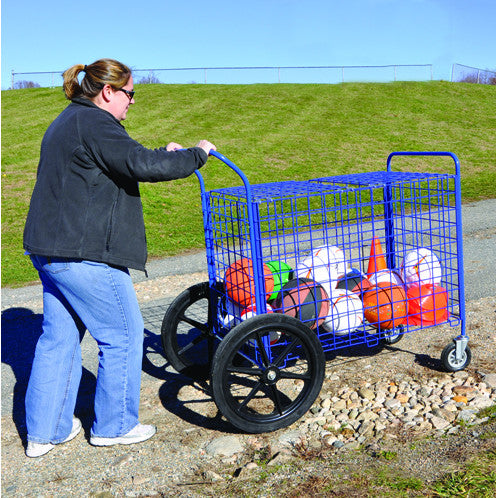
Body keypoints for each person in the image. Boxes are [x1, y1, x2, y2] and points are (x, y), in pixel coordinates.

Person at [22, 58, 216, 457]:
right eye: (129, 94)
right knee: (124, 334)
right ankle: (114, 426)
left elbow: (119, 161)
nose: (132, 102)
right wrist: (197, 154)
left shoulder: (70, 120)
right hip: (82, 254)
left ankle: (46, 432)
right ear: (108, 92)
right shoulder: (95, 122)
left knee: (58, 339)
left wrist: (166, 152)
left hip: (51, 250)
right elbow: (140, 164)